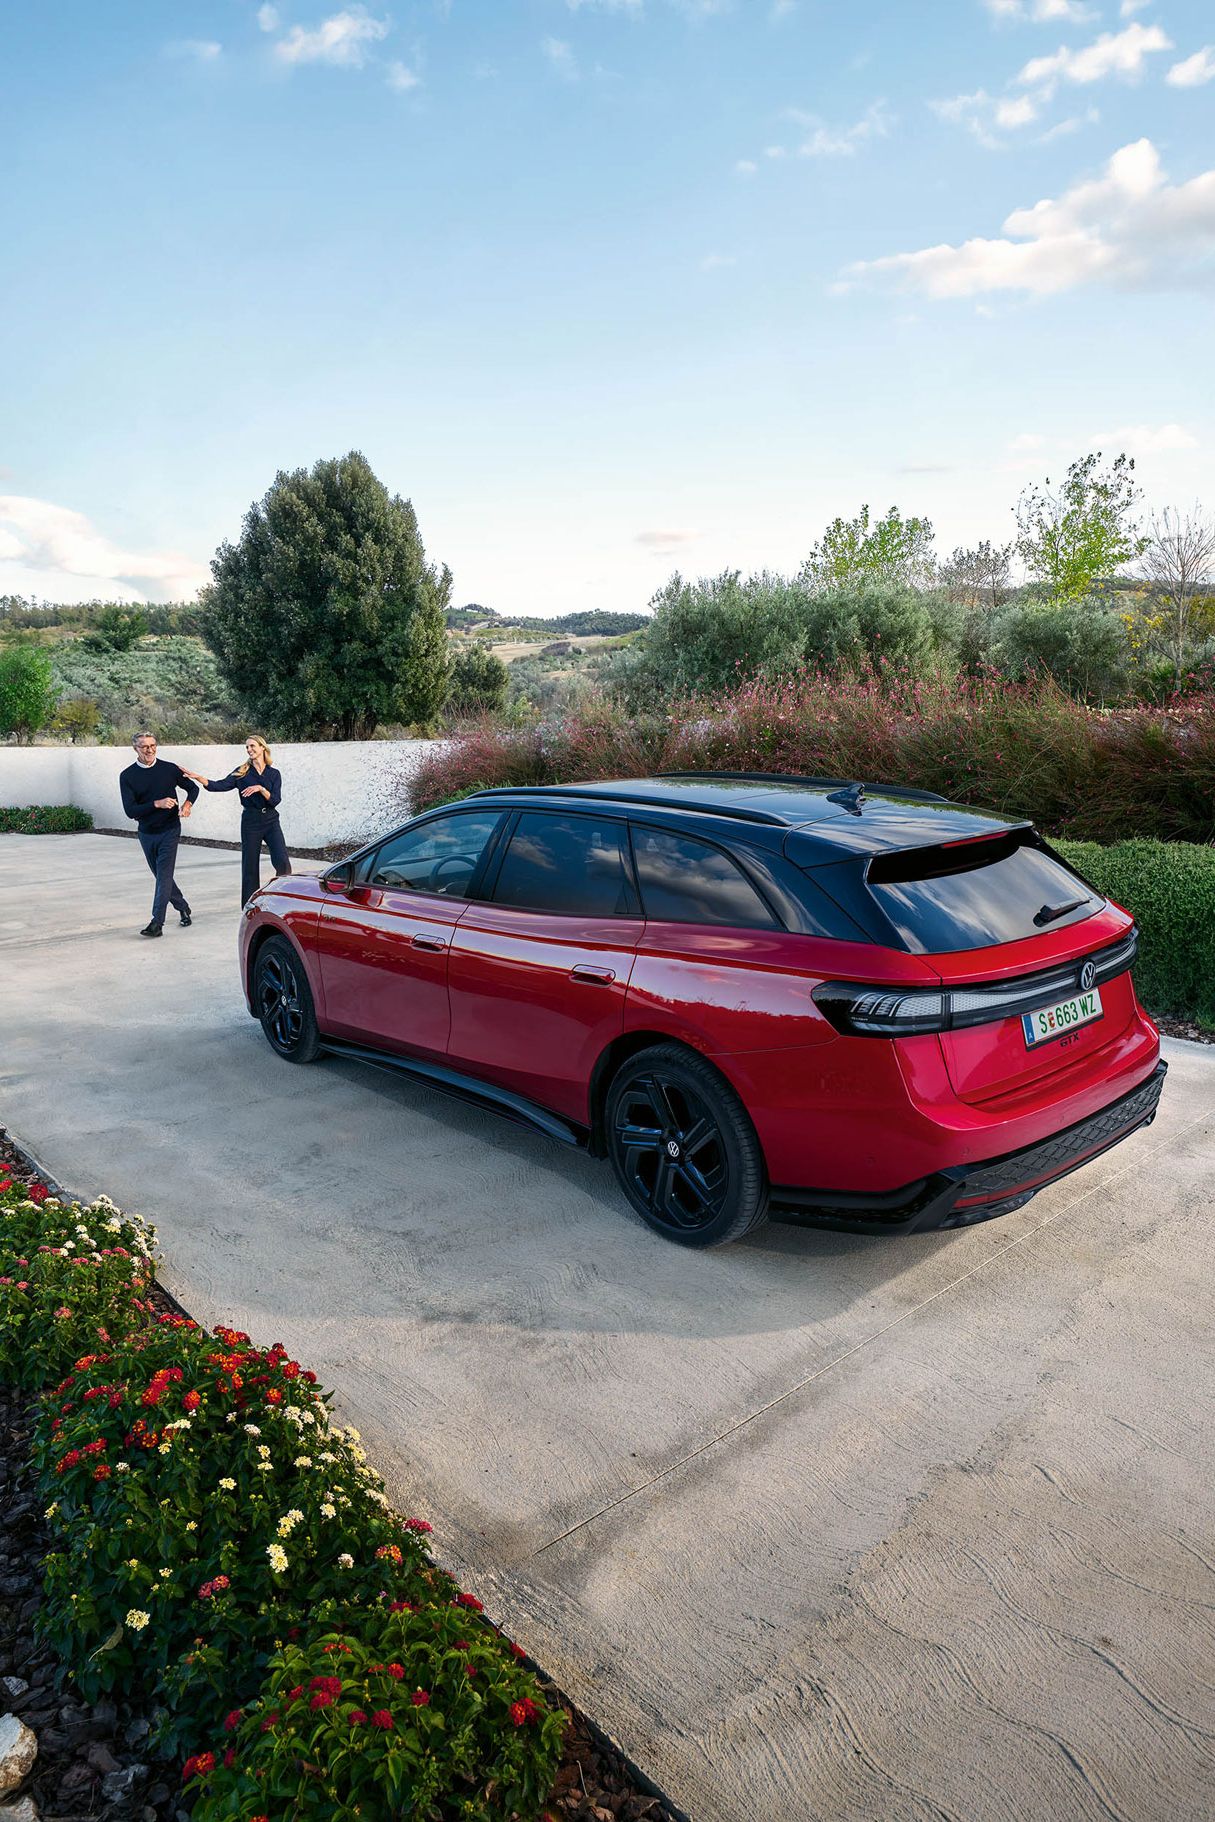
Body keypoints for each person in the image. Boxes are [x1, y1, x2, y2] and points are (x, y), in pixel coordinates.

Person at [182, 735, 291, 906]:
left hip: (271, 819)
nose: (249, 750)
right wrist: (198, 777)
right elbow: (218, 786)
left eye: (252, 746)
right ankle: (249, 905)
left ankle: (283, 897)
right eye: (247, 747)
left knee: (282, 861)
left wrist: (261, 789)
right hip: (251, 821)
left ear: (262, 747)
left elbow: (275, 800)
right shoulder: (242, 772)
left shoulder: (274, 774)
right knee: (250, 864)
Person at [118, 732, 199, 938]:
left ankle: (157, 923)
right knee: (162, 877)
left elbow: (193, 788)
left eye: (153, 745)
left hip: (170, 829)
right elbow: (130, 811)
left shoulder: (170, 769)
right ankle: (183, 907)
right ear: (135, 748)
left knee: (163, 875)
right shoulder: (127, 776)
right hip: (146, 833)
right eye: (144, 746)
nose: (150, 750)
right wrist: (157, 803)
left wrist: (187, 805)